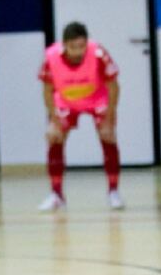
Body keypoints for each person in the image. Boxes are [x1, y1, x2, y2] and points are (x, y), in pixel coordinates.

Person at [37, 22, 123, 211]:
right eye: (74, 47)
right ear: (64, 45)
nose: (78, 51)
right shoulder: (51, 57)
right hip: (66, 100)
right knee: (54, 137)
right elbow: (47, 90)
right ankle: (56, 194)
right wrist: (54, 118)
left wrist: (110, 116)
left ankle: (113, 191)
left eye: (82, 46)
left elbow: (113, 86)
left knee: (108, 135)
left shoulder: (98, 53)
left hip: (97, 97)